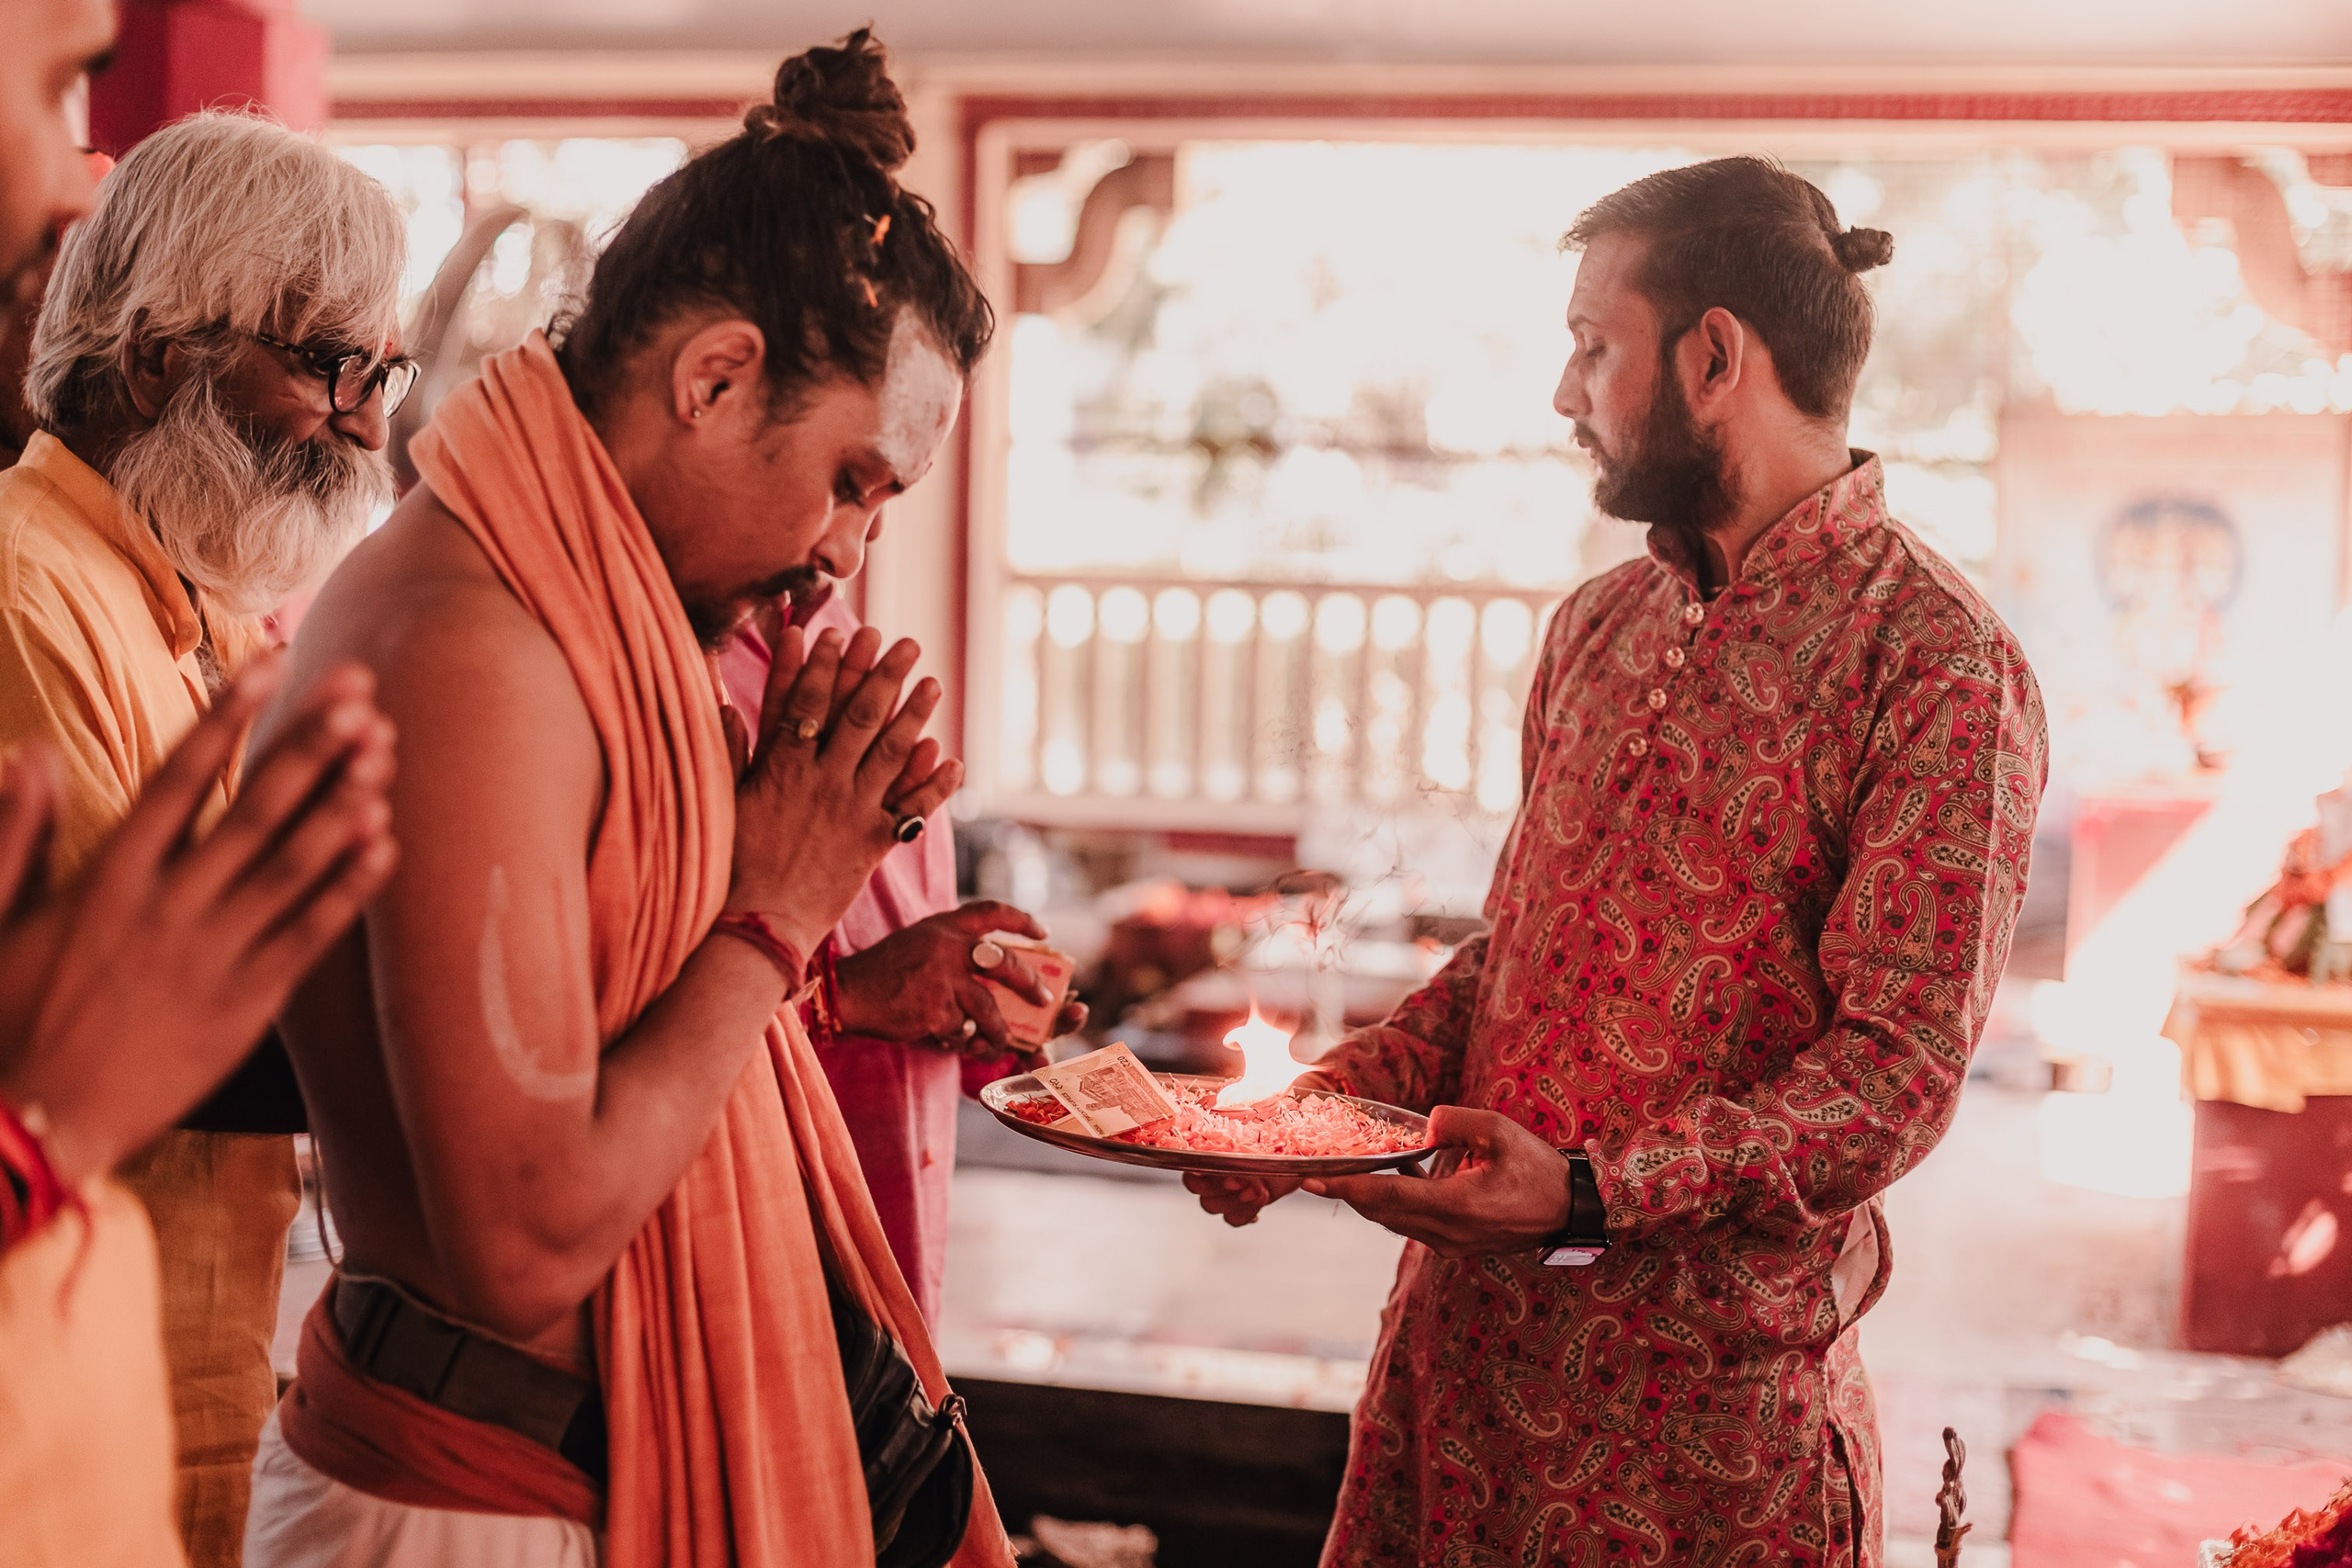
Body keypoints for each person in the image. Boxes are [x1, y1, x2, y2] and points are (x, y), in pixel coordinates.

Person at [1188, 157, 2049, 1566]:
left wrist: (1591, 1190)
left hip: (1697, 1435)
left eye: (1594, 344)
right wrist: (1323, 1110)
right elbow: (1516, 959)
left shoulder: (1937, 662)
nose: (1563, 390)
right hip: (1460, 1385)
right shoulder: (1600, 626)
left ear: (1715, 355)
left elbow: (1892, 1073)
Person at [253, 30, 1013, 1567]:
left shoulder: (589, 614)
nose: (847, 549)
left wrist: (783, 827)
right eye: (853, 480)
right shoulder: (473, 641)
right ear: (716, 376)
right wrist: (777, 903)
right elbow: (523, 1244)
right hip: (467, 1507)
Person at [5, 109, 408, 1566]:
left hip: (175, 1385)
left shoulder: (207, 612)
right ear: (158, 354)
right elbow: (153, 1031)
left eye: (383, 370)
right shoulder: (25, 590)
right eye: (324, 361)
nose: (367, 420)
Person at [716, 591, 1085, 1325]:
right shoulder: (669, 663)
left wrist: (969, 1011)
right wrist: (841, 998)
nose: (859, 542)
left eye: (889, 493)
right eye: (850, 484)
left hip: (897, 1249)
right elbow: (626, 1006)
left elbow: (882, 942)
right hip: (745, 1267)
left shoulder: (833, 623)